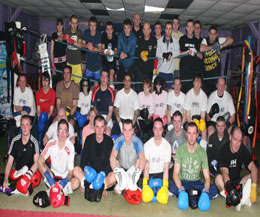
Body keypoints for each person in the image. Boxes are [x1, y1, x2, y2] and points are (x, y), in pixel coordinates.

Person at [170, 122, 218, 205]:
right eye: (189, 133)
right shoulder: (180, 150)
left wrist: (206, 192)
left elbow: (207, 177)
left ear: (197, 135)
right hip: (183, 182)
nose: (191, 137)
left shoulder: (202, 152)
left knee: (213, 188)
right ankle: (192, 196)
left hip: (196, 183)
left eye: (194, 133)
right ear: (186, 135)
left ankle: (192, 196)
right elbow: (175, 174)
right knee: (172, 186)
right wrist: (181, 189)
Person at [215, 126, 258, 208]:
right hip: (225, 183)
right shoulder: (223, 149)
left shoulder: (242, 149)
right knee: (218, 179)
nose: (237, 144)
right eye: (235, 140)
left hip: (238, 182)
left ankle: (239, 197)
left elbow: (253, 168)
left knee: (252, 176)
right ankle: (231, 196)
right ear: (230, 137)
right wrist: (231, 192)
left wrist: (254, 187)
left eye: (239, 141)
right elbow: (224, 172)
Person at [72, 115, 115, 196]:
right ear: (94, 127)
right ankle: (97, 189)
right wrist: (86, 174)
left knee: (113, 177)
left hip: (102, 176)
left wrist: (103, 174)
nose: (99, 130)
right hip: (90, 175)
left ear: (105, 127)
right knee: (76, 169)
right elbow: (83, 160)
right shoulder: (89, 139)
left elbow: (110, 162)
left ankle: (91, 187)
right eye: (97, 127)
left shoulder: (109, 141)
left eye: (102, 127)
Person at [2, 115, 39, 193]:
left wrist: (28, 175)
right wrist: (5, 180)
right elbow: (9, 163)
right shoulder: (15, 141)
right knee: (10, 176)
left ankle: (22, 185)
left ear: (30, 127)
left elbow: (36, 163)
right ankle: (18, 185)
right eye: (23, 125)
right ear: (20, 126)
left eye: (27, 125)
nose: (25, 128)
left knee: (35, 179)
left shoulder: (34, 142)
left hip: (30, 172)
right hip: (19, 172)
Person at [38, 119, 75, 194]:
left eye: (65, 131)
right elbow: (40, 160)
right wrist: (49, 178)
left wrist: (64, 181)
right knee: (39, 162)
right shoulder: (51, 143)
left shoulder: (70, 147)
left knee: (76, 183)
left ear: (68, 133)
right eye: (60, 130)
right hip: (52, 175)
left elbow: (70, 172)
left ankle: (57, 189)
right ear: (57, 132)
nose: (62, 133)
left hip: (64, 177)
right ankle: (53, 186)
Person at [110, 119, 145, 194]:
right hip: (121, 169)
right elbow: (112, 156)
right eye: (125, 130)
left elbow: (142, 158)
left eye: (129, 130)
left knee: (140, 160)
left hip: (133, 170)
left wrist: (138, 172)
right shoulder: (119, 140)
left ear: (133, 131)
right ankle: (126, 183)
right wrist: (115, 169)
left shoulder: (137, 141)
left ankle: (130, 182)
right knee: (114, 159)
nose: (127, 133)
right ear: (122, 131)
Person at [142, 118, 171, 204]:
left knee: (163, 196)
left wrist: (165, 186)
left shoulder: (167, 146)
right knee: (146, 197)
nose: (158, 132)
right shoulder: (147, 145)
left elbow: (166, 168)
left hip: (161, 174)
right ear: (153, 130)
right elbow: (146, 167)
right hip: (150, 174)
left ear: (162, 130)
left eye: (160, 129)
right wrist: (145, 185)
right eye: (156, 129)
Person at [200, 25, 234, 96]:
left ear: (216, 34)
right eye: (211, 33)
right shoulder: (205, 40)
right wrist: (213, 47)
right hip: (206, 75)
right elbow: (201, 48)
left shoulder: (219, 40)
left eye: (214, 34)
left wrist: (221, 46)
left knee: (215, 96)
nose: (212, 36)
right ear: (208, 34)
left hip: (216, 75)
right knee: (206, 96)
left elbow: (231, 40)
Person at [184, 73, 208, 150]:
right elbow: (187, 115)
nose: (197, 83)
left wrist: (200, 124)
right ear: (193, 83)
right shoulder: (188, 94)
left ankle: (203, 151)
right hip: (191, 119)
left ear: (201, 84)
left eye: (199, 81)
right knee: (191, 131)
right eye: (196, 81)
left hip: (199, 119)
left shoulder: (204, 96)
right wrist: (192, 124)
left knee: (204, 130)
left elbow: (203, 115)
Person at [10, 74, 36, 143]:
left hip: (30, 115)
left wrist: (16, 113)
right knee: (11, 127)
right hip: (20, 115)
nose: (22, 83)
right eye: (21, 81)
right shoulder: (16, 91)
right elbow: (16, 107)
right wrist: (23, 108)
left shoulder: (29, 91)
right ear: (18, 82)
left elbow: (28, 110)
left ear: (26, 82)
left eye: (24, 81)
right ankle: (13, 148)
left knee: (22, 127)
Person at [179, 19, 202, 93]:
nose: (190, 28)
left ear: (193, 28)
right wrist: (187, 52)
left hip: (193, 72)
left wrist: (195, 51)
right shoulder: (182, 39)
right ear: (186, 28)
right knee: (182, 93)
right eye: (188, 26)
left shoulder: (197, 41)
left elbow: (201, 56)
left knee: (191, 93)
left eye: (191, 26)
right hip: (183, 71)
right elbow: (178, 54)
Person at [156, 21, 180, 90]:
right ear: (165, 29)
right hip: (161, 71)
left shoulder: (175, 41)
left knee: (170, 93)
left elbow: (177, 52)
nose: (168, 31)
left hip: (170, 72)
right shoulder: (159, 41)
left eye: (170, 29)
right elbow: (157, 53)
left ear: (172, 30)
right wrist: (164, 55)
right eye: (167, 28)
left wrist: (171, 54)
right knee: (160, 93)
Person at [134, 22, 157, 92]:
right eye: (145, 29)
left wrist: (144, 53)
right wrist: (140, 54)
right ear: (143, 30)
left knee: (148, 90)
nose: (146, 31)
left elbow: (153, 53)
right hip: (140, 70)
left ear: (150, 30)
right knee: (139, 90)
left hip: (149, 70)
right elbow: (136, 52)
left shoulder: (154, 40)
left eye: (148, 29)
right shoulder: (139, 40)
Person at [91, 70, 115, 136]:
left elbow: (110, 111)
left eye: (106, 76)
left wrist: (105, 123)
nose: (104, 78)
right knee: (92, 133)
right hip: (97, 116)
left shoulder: (111, 92)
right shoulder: (95, 91)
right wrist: (94, 122)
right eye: (102, 76)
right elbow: (92, 109)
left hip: (107, 118)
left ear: (108, 79)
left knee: (107, 133)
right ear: (100, 78)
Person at [35, 72, 56, 148]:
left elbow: (51, 110)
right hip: (40, 117)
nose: (45, 83)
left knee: (44, 118)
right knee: (39, 122)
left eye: (47, 81)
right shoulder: (38, 93)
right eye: (43, 80)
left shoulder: (52, 92)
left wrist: (45, 118)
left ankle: (41, 143)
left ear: (49, 81)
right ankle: (38, 144)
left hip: (49, 116)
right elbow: (38, 110)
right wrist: (40, 118)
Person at [117, 19, 137, 89]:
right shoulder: (120, 36)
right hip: (122, 64)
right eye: (125, 28)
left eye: (128, 28)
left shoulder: (134, 38)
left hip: (131, 65)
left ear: (131, 28)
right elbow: (118, 49)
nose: (126, 30)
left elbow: (133, 51)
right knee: (120, 85)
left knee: (130, 86)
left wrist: (126, 55)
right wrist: (120, 53)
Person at [63, 15, 83, 84]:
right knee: (68, 84)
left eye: (75, 23)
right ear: (70, 23)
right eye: (73, 23)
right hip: (69, 62)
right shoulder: (67, 31)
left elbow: (80, 45)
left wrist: (71, 41)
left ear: (77, 24)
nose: (74, 25)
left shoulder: (79, 32)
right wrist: (64, 37)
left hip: (77, 63)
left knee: (77, 85)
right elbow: (58, 38)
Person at [83, 16, 102, 82]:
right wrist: (86, 45)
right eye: (91, 25)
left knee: (96, 86)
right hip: (88, 66)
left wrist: (93, 48)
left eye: (94, 26)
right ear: (89, 26)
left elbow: (100, 49)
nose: (92, 28)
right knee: (86, 85)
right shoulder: (86, 33)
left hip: (97, 66)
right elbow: (82, 45)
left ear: (96, 26)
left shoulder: (99, 34)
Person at [50, 18, 67, 90]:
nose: (59, 27)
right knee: (55, 85)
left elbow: (68, 50)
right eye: (58, 25)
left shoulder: (65, 36)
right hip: (56, 64)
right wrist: (53, 66)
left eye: (61, 25)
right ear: (56, 26)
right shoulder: (53, 35)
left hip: (63, 63)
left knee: (63, 84)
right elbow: (51, 52)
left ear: (63, 26)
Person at [101, 21, 118, 88]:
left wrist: (112, 52)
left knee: (111, 76)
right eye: (107, 29)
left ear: (113, 30)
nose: (109, 31)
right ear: (105, 30)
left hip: (112, 62)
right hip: (105, 62)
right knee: (104, 78)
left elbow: (116, 51)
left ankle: (112, 93)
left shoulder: (115, 37)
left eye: (110, 29)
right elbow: (102, 48)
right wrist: (105, 51)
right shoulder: (103, 36)